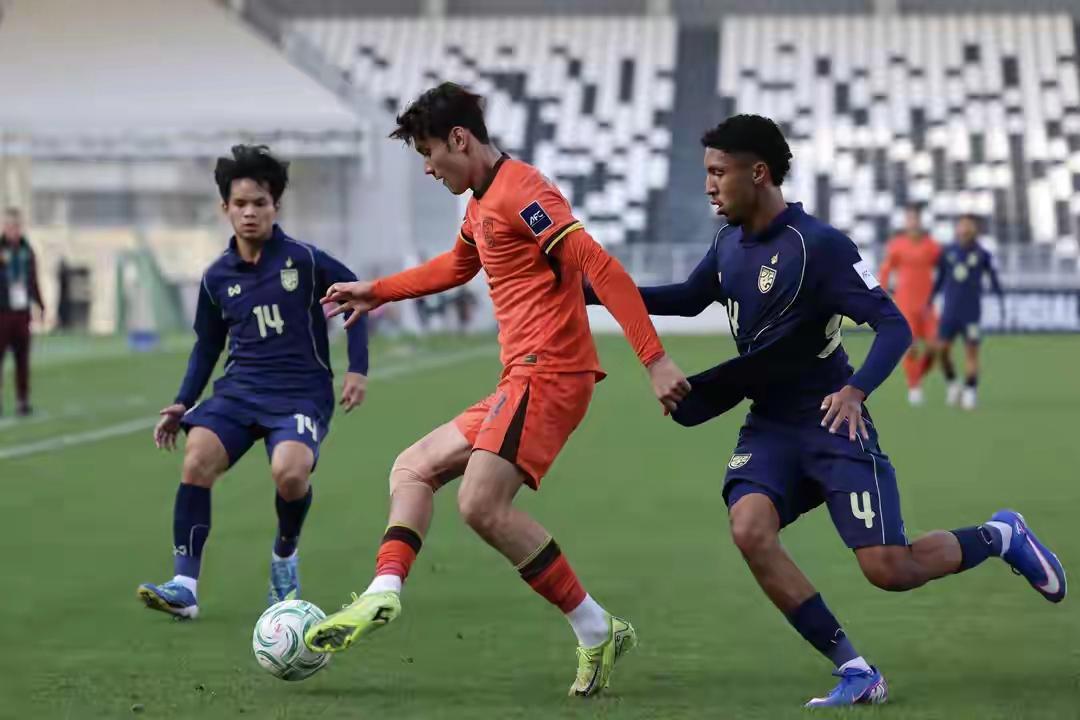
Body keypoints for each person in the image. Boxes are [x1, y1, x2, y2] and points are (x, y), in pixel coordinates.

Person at [591, 114, 1066, 707]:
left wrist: (856, 390)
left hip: (832, 421)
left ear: (757, 173)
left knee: (889, 568)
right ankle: (856, 670)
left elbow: (893, 325)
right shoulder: (727, 243)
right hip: (770, 424)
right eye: (706, 173)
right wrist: (589, 289)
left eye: (718, 172)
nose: (709, 185)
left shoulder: (819, 246)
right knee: (749, 528)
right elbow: (687, 300)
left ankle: (1000, 535)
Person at [304, 82, 689, 697]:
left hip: (550, 373)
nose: (427, 168)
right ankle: (383, 591)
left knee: (480, 504)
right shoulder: (481, 203)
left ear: (459, 139)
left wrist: (655, 359)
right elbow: (458, 266)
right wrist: (377, 291)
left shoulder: (524, 192)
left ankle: (596, 629)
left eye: (429, 153)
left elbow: (598, 265)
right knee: (412, 467)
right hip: (522, 378)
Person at [137, 145, 370, 619]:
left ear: (275, 206)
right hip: (240, 390)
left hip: (300, 393)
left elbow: (359, 298)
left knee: (290, 473)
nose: (249, 212)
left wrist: (357, 368)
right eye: (240, 203)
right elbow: (207, 347)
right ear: (225, 208)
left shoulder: (304, 260)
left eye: (259, 203)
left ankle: (285, 556)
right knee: (196, 458)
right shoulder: (216, 277)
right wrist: (183, 402)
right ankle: (184, 587)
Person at [932, 214, 1004, 410]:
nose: (965, 229)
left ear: (975, 230)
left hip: (971, 313)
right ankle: (953, 384)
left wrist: (1000, 298)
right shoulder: (948, 252)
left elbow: (994, 278)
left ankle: (971, 391)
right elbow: (940, 279)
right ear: (957, 229)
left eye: (969, 226)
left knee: (971, 352)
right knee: (941, 350)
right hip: (949, 311)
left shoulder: (983, 254)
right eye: (962, 225)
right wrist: (930, 300)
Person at [878, 204, 941, 405]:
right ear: (906, 222)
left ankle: (918, 376)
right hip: (906, 304)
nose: (913, 222)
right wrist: (882, 293)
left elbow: (944, 269)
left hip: (927, 305)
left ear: (920, 221)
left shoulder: (932, 246)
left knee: (935, 346)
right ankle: (914, 386)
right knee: (911, 347)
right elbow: (886, 270)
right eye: (909, 219)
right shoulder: (897, 245)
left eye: (915, 219)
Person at [0, 207, 45, 416]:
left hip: (21, 312)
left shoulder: (27, 251)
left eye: (16, 226)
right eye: (10, 226)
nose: (13, 230)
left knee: (22, 359)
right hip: (2, 311)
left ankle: (22, 400)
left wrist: (40, 304)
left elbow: (33, 279)